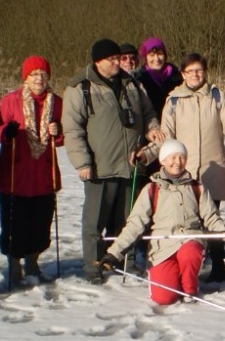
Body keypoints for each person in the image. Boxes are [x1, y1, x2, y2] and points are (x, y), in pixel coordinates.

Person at [62, 38, 164, 284]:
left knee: (127, 219)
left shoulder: (132, 83)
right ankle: (93, 265)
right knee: (95, 221)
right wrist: (82, 162)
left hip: (131, 165)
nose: (119, 63)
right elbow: (72, 129)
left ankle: (123, 260)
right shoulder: (80, 88)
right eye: (112, 59)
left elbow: (148, 112)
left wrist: (152, 128)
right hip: (100, 167)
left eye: (119, 58)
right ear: (98, 61)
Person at [148, 52, 225, 283]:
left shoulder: (217, 96)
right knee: (187, 220)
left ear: (205, 72)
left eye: (199, 70)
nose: (195, 75)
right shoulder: (173, 100)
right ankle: (184, 265)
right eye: (190, 71)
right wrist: (146, 155)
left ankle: (218, 264)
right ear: (183, 74)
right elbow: (165, 137)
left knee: (212, 216)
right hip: (183, 170)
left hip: (213, 168)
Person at [98, 140, 225, 305]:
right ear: (163, 160)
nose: (178, 162)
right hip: (162, 248)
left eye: (182, 157)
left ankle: (189, 288)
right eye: (172, 157)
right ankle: (171, 278)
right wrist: (113, 253)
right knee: (164, 298)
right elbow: (134, 225)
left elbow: (211, 218)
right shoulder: (152, 190)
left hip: (189, 240)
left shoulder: (197, 188)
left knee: (190, 252)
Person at [0, 56, 64, 285]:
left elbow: (62, 137)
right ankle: (14, 264)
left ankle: (32, 262)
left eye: (43, 74)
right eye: (33, 74)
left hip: (42, 174)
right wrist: (6, 132)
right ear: (25, 78)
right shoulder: (11, 100)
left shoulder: (57, 102)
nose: (38, 79)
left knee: (41, 223)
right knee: (14, 223)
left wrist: (58, 131)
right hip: (15, 173)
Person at [134, 37, 182, 116]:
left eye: (160, 54)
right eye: (152, 55)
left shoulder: (177, 77)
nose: (157, 59)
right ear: (146, 58)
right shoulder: (139, 80)